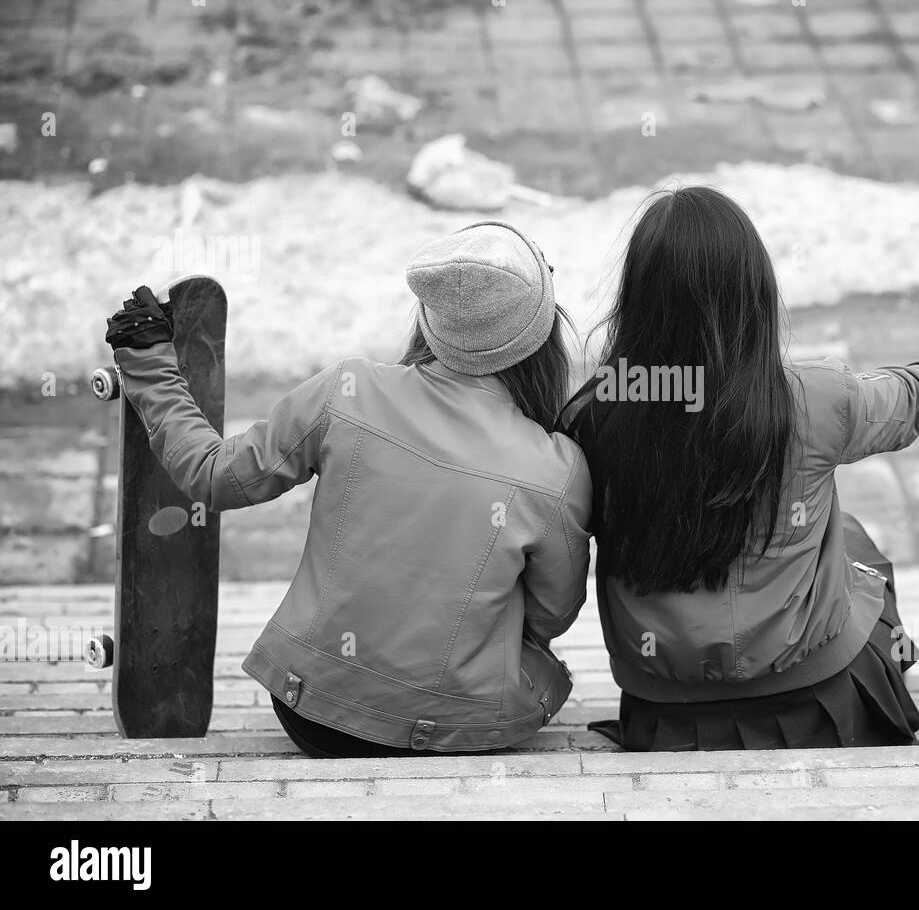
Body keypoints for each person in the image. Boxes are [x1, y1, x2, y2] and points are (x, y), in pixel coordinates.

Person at [561, 187, 919, 751]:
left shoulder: (596, 416)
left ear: (637, 301)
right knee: (862, 551)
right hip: (814, 699)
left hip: (664, 710)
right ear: (755, 293)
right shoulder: (816, 401)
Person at [104, 221, 592, 757]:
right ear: (544, 338)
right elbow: (552, 615)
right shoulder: (557, 468)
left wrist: (149, 362)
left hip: (309, 710)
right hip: (458, 729)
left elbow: (214, 475)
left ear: (430, 322)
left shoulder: (347, 391)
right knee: (541, 670)